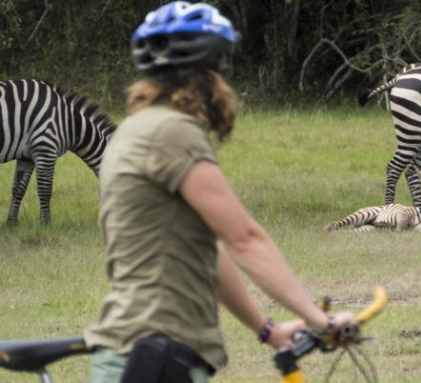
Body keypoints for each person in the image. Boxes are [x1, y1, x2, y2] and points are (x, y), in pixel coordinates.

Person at [84, 3, 353, 382]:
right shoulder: (173, 133)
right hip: (156, 353)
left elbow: (212, 251)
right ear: (208, 74)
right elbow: (245, 239)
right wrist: (321, 320)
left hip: (143, 350)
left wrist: (268, 330)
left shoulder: (136, 129)